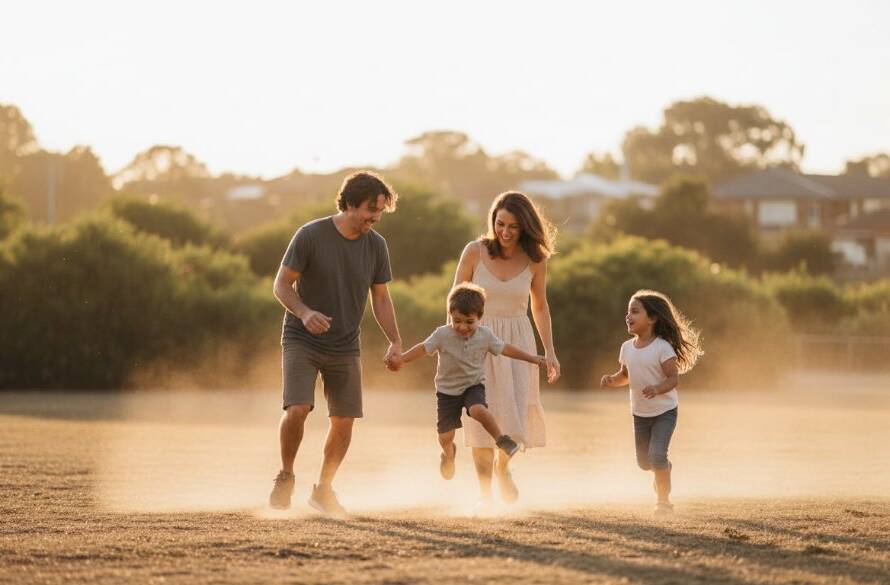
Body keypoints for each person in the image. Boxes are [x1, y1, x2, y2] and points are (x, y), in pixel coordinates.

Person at [268, 171, 403, 518]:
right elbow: (281, 286)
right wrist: (304, 312)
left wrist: (395, 340)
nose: (375, 217)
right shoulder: (310, 235)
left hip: (346, 344)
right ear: (350, 203)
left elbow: (382, 299)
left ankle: (323, 490)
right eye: (371, 209)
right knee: (297, 408)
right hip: (302, 337)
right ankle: (285, 475)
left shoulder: (378, 246)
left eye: (380, 211)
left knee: (344, 420)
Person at [451, 191, 559, 511]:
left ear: (526, 226)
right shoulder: (474, 251)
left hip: (516, 343)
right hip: (475, 340)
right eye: (500, 224)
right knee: (478, 418)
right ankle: (485, 497)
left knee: (509, 416)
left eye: (513, 226)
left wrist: (549, 351)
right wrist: (454, 342)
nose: (506, 232)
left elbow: (539, 307)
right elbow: (455, 299)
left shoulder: (536, 260)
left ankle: (503, 469)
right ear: (492, 221)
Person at [395, 283, 549, 482]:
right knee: (445, 437)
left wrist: (533, 358)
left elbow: (506, 349)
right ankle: (448, 454)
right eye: (457, 320)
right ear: (450, 314)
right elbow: (423, 349)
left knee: (478, 409)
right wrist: (402, 359)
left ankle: (502, 440)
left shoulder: (485, 335)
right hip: (447, 391)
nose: (462, 327)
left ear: (480, 318)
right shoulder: (442, 334)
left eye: (469, 322)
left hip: (473, 386)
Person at [600, 289, 703, 516]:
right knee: (645, 463)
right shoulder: (626, 348)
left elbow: (673, 379)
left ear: (653, 318)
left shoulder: (662, 348)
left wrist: (657, 389)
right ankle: (663, 469)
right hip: (640, 414)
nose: (628, 316)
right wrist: (611, 380)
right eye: (627, 312)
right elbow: (625, 375)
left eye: (635, 311)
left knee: (657, 456)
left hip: (665, 411)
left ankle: (663, 501)